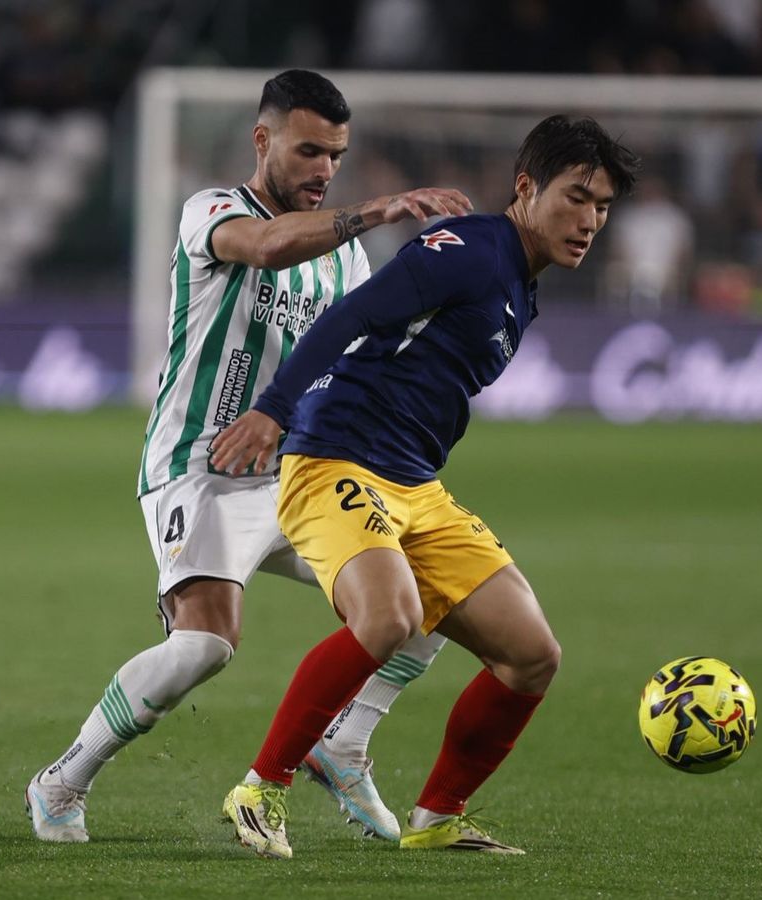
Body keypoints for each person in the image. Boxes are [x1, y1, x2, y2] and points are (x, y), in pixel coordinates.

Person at [25, 69, 473, 844]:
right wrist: (376, 210)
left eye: (336, 155)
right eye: (308, 151)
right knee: (204, 646)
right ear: (263, 140)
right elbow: (264, 249)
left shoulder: (346, 262)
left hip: (298, 477)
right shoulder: (215, 210)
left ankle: (344, 744)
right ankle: (63, 780)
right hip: (198, 469)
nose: (324, 170)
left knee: (430, 594)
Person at [210, 114, 639, 859]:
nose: (591, 221)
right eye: (577, 198)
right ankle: (260, 786)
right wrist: (275, 412)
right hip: (336, 461)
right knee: (389, 618)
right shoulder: (471, 248)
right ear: (526, 186)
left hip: (416, 486)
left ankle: (438, 816)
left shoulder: (520, 283)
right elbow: (356, 313)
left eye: (602, 207)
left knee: (533, 654)